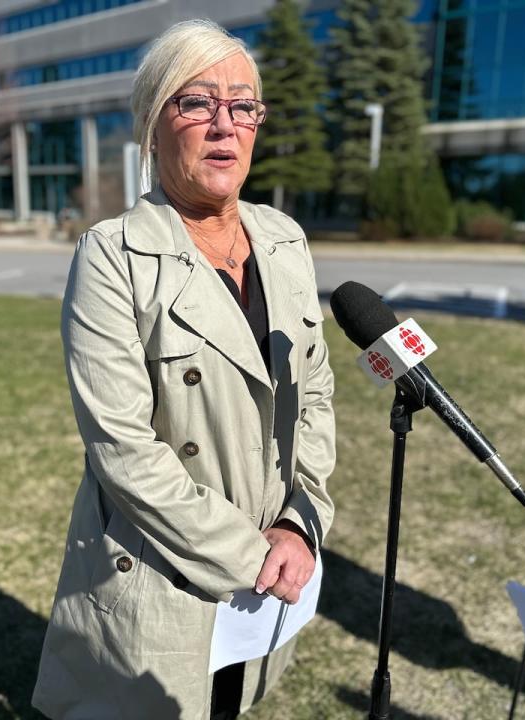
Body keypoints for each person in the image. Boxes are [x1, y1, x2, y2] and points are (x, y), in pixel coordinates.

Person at [32, 19, 336, 720]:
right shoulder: (111, 256)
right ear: (153, 126)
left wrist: (300, 522)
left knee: (231, 705)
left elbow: (314, 394)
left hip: (272, 565)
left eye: (243, 106)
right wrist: (247, 553)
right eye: (196, 103)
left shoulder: (285, 240)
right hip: (165, 573)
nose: (224, 126)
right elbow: (121, 446)